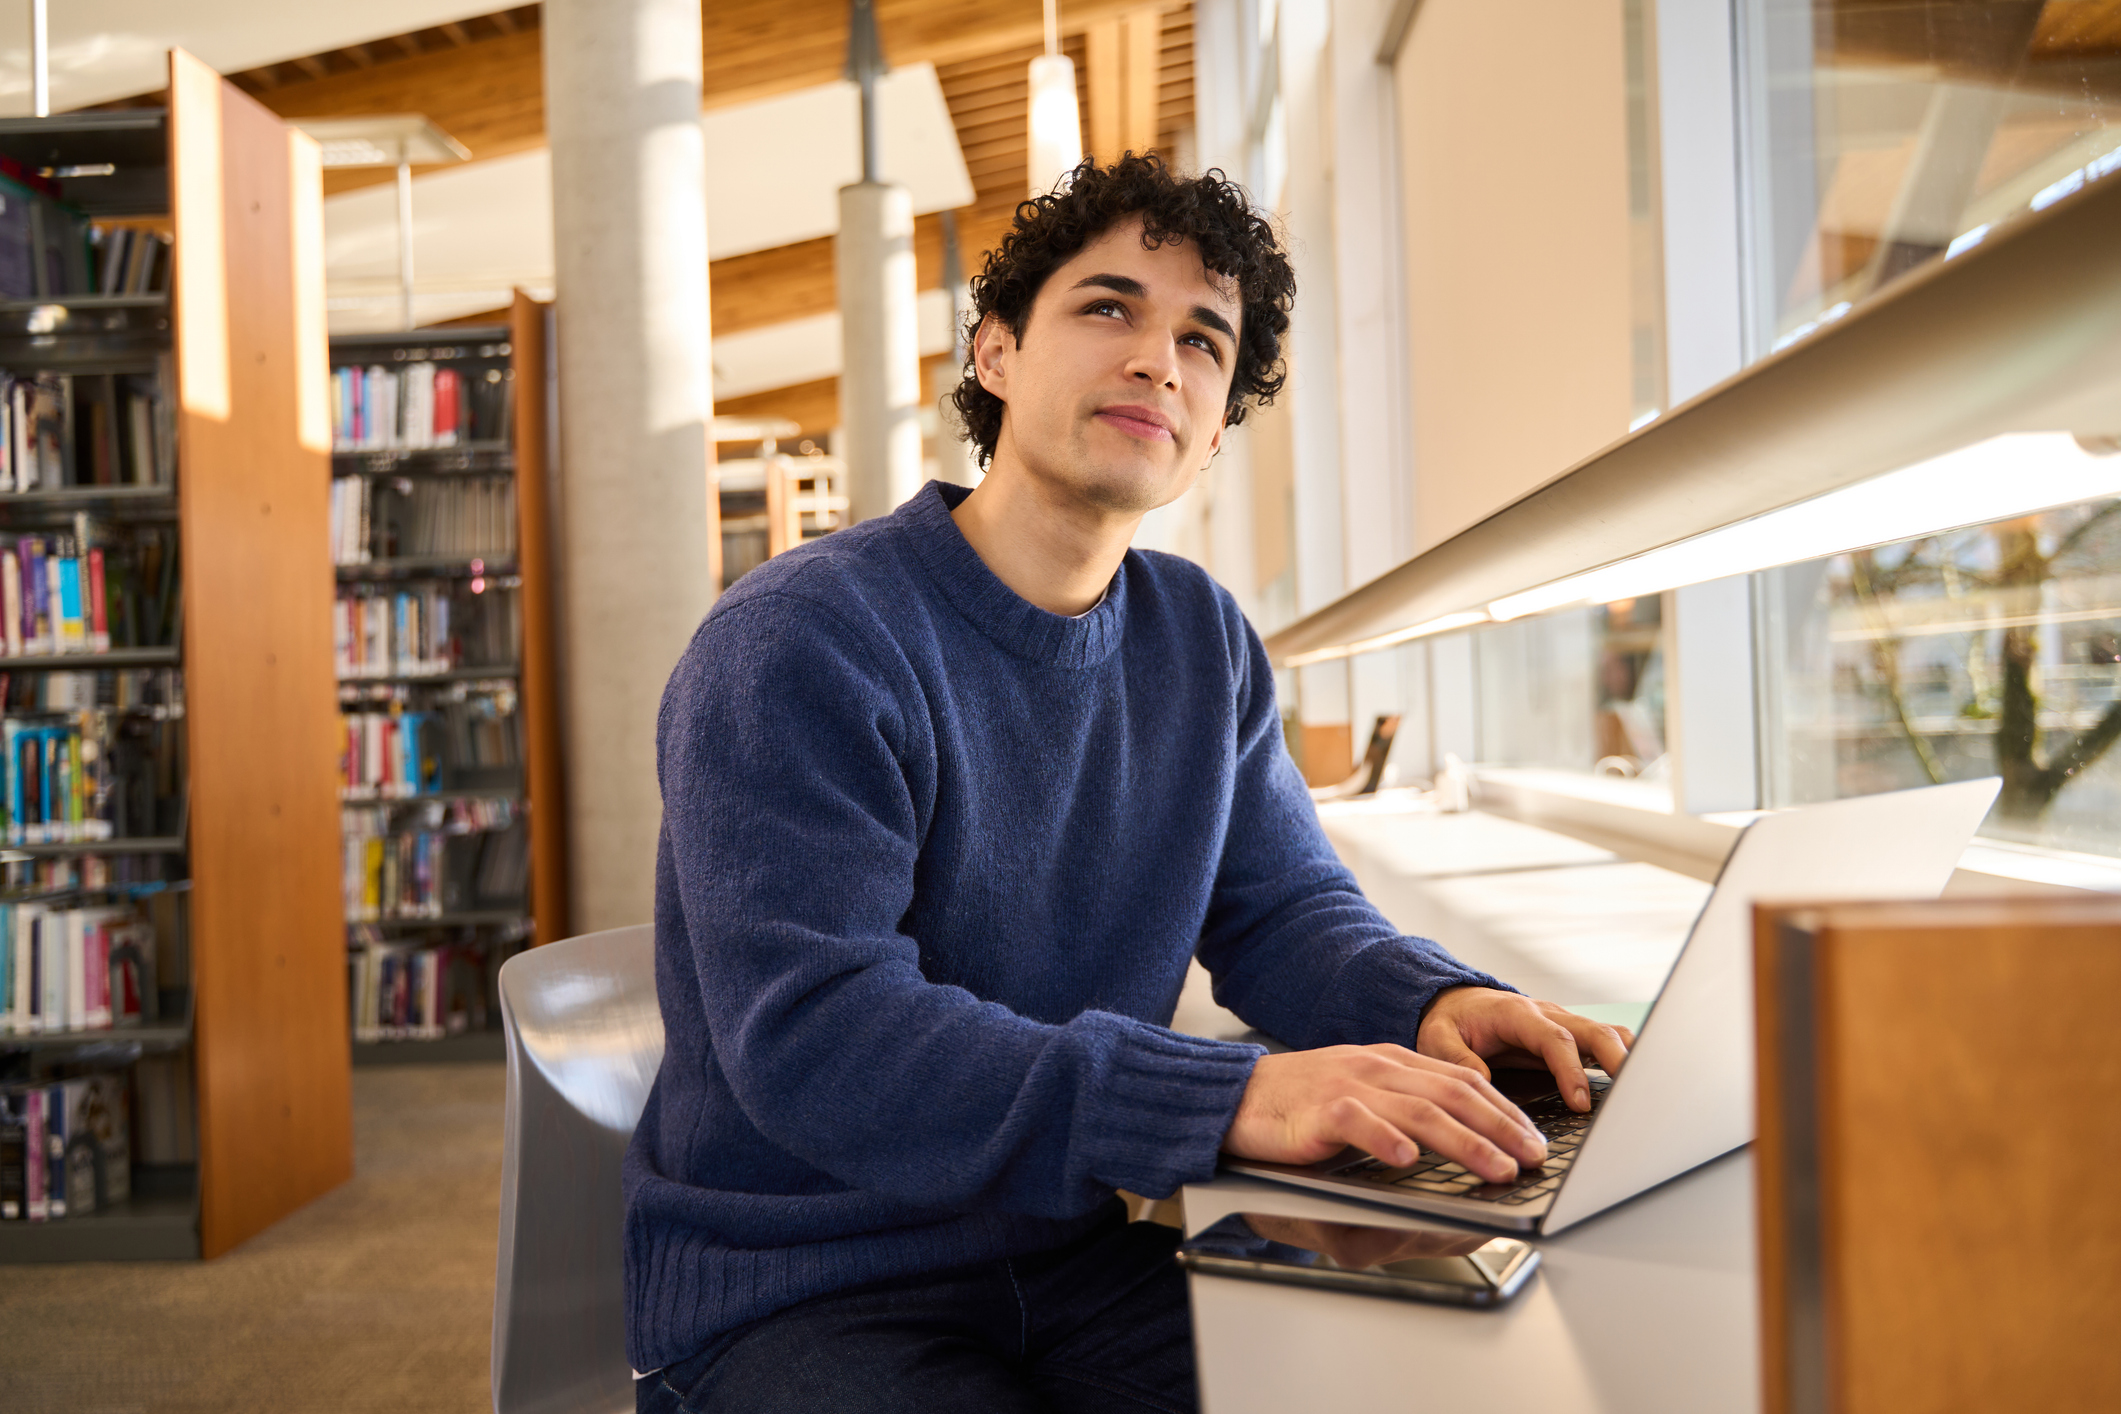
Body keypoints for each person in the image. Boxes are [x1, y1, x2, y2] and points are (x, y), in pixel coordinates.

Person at [627, 154, 1633, 1414]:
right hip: (805, 1283)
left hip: (1074, 1249)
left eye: (1204, 340)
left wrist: (1429, 1003)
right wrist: (1228, 1095)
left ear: (1214, 433)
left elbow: (1281, 913)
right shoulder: (798, 638)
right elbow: (820, 1035)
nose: (1161, 357)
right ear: (995, 353)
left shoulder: (1200, 639)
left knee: (1441, 1375)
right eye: (1108, 308)